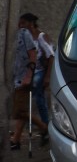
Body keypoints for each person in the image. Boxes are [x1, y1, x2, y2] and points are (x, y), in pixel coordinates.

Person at [8, 16, 49, 150]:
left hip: (25, 78)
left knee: (19, 111)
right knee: (21, 111)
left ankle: (44, 128)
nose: (20, 24)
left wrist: (29, 76)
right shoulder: (13, 35)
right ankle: (16, 140)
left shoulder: (25, 33)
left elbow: (33, 55)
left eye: (23, 22)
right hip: (16, 78)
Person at [19, 13, 55, 125]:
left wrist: (48, 76)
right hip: (30, 72)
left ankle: (45, 124)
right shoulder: (25, 37)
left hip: (40, 71)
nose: (20, 25)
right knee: (36, 98)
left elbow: (51, 56)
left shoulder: (41, 36)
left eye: (23, 23)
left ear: (31, 23)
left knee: (38, 97)